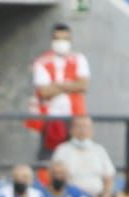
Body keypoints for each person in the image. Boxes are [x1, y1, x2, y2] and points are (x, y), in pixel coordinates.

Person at [29, 23, 89, 155]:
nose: (61, 42)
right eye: (58, 39)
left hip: (75, 117)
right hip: (51, 118)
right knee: (49, 157)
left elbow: (83, 85)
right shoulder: (42, 61)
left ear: (70, 40)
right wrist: (70, 85)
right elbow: (44, 92)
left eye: (65, 39)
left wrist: (57, 85)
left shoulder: (79, 59)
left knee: (75, 155)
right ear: (52, 40)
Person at [51, 116, 115, 197]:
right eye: (78, 126)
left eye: (85, 127)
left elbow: (108, 178)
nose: (82, 130)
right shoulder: (62, 150)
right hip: (71, 195)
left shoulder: (99, 150)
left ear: (91, 130)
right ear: (71, 130)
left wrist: (106, 195)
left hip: (97, 196)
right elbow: (56, 178)